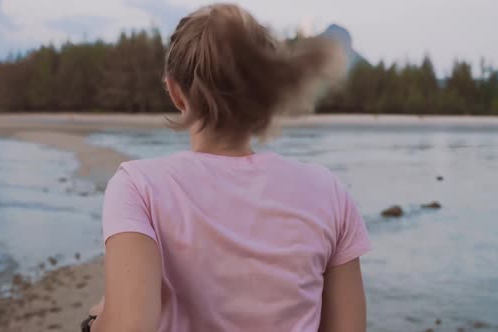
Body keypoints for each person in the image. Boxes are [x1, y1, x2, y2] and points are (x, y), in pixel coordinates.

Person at [88, 3, 370, 332]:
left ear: (176, 92)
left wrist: (97, 320)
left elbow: (130, 326)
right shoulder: (329, 191)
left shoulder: (137, 186)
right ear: (268, 95)